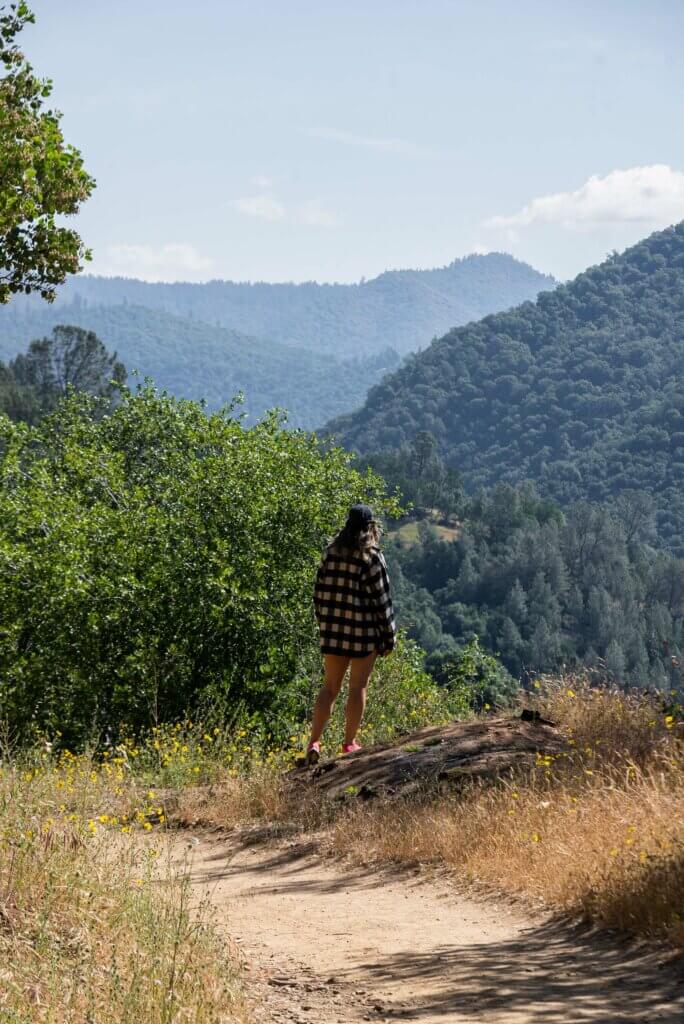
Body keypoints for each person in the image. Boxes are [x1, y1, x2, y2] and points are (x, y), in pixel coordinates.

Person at [306, 503, 397, 766]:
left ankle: (314, 741)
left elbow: (318, 593)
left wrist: (325, 623)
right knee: (358, 687)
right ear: (371, 527)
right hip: (362, 633)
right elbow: (382, 602)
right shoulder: (371, 557)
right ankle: (349, 744)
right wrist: (388, 637)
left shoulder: (330, 553)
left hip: (333, 632)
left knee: (329, 687)